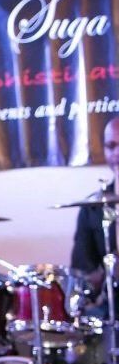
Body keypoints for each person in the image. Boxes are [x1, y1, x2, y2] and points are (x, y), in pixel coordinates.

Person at [71, 116, 119, 313]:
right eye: (111, 146)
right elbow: (82, 268)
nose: (117, 153)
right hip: (111, 307)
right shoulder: (93, 207)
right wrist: (104, 272)